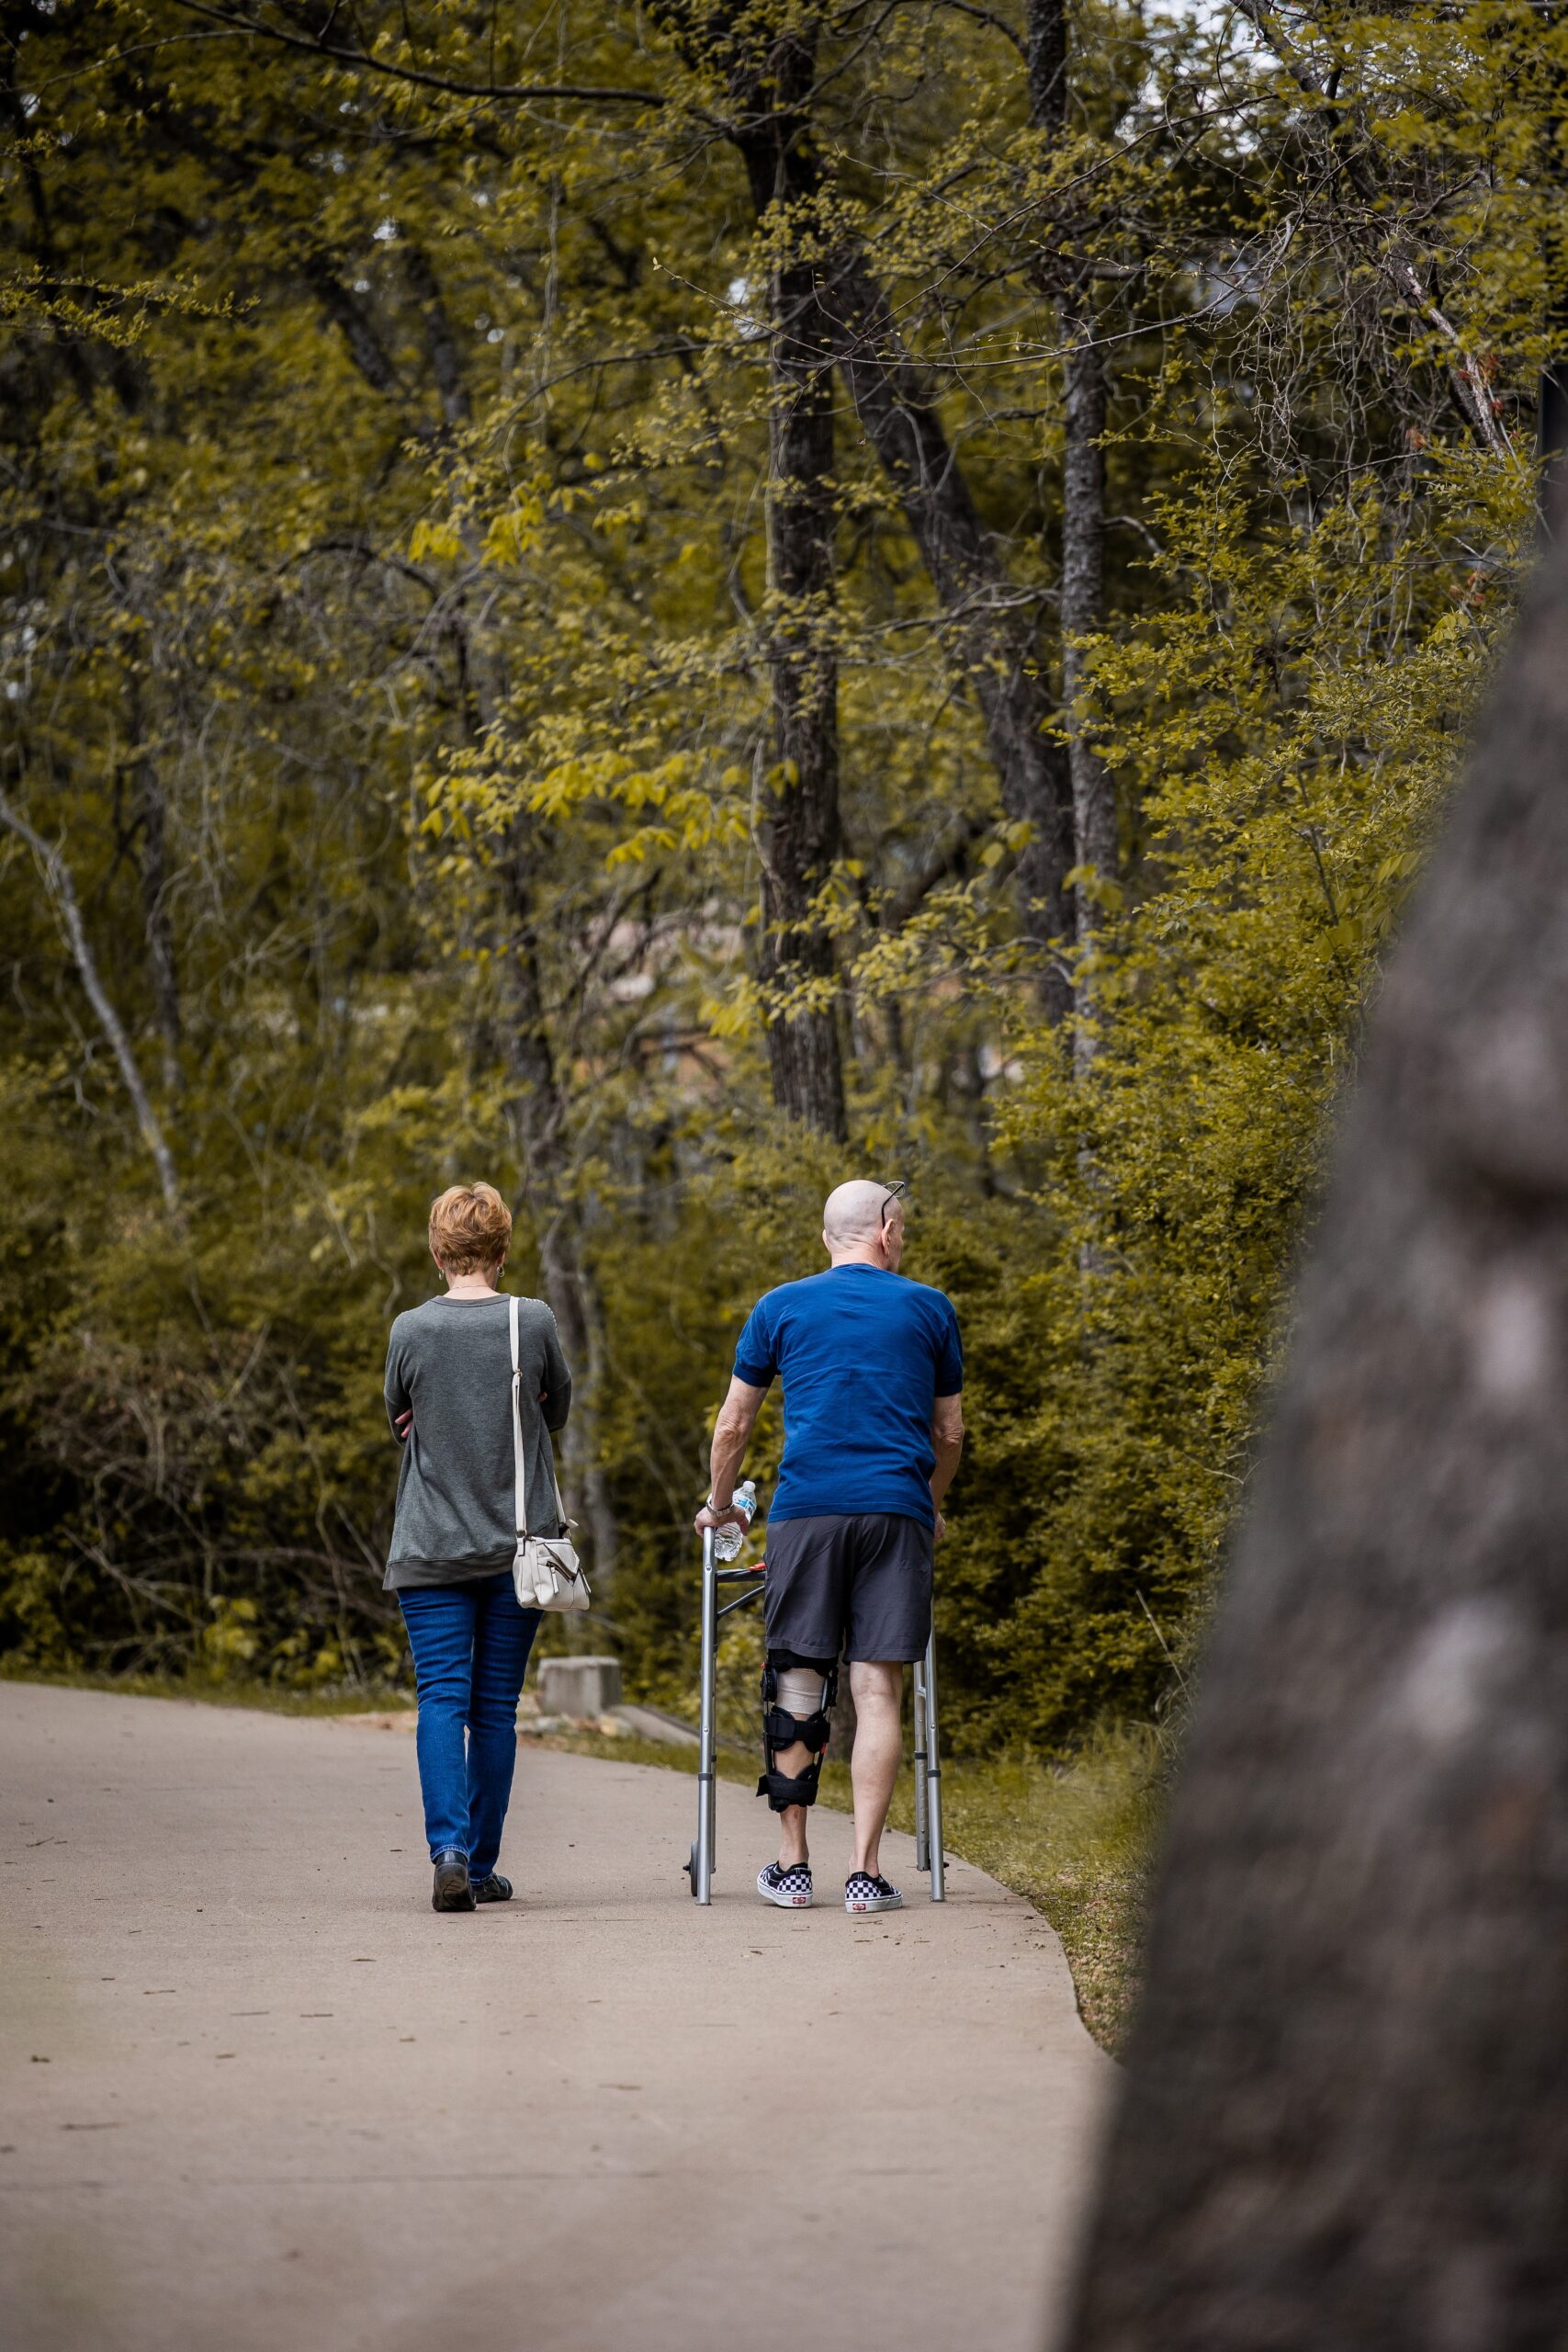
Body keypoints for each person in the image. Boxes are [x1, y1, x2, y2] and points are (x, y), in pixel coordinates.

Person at [694, 1179, 964, 1915]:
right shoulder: (929, 1308)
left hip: (807, 1513)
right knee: (875, 1689)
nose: (902, 1236)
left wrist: (721, 1509)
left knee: (798, 1681)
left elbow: (731, 1427)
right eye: (901, 1225)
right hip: (894, 1514)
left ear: (825, 1240)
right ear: (883, 1230)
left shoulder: (779, 1306)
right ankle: (866, 1873)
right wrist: (927, 1506)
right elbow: (949, 1435)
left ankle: (791, 1865)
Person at [384, 1182, 572, 1913]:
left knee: (440, 1698)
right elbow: (556, 1411)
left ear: (438, 1251)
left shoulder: (409, 1329)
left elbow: (397, 1416)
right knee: (495, 1707)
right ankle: (483, 1865)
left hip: (429, 1544)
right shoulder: (533, 1321)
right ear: (502, 1250)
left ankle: (449, 1853)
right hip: (518, 1548)